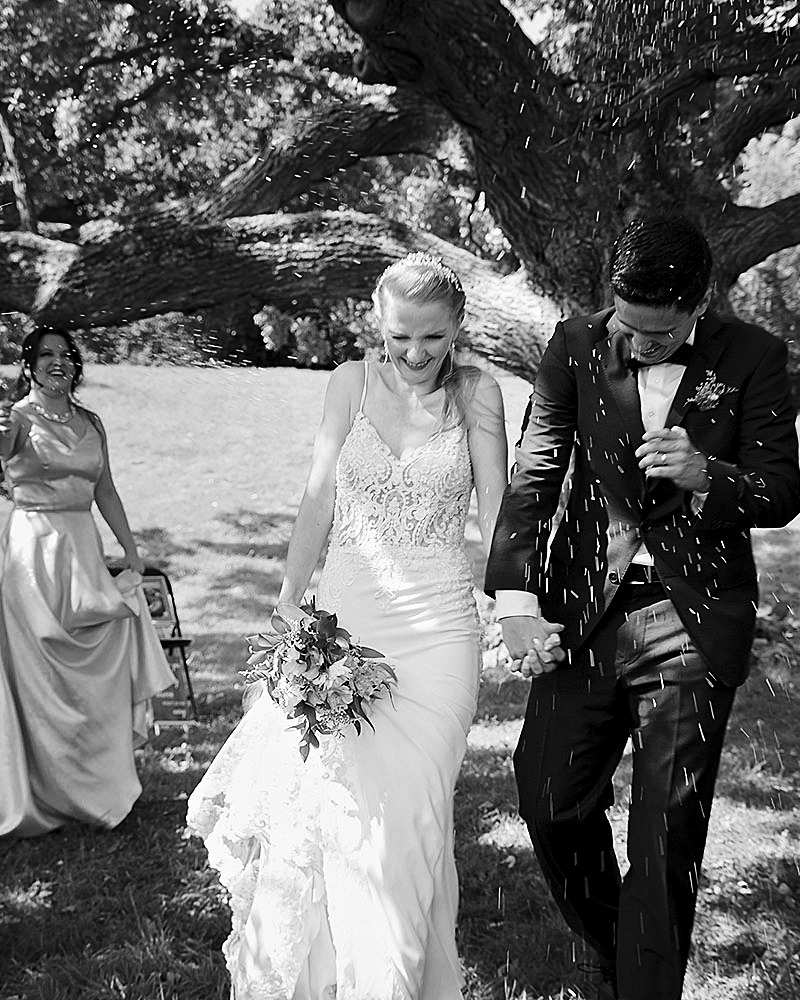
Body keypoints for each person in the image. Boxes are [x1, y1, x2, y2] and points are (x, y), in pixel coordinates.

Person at [485, 213, 800, 1000]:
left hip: (691, 619)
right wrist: (518, 598)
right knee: (549, 798)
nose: (639, 345)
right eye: (628, 327)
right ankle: (621, 949)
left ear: (700, 304)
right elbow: (536, 470)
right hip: (585, 612)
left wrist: (706, 476)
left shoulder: (755, 356)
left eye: (659, 335)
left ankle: (642, 983)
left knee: (666, 835)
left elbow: (781, 490)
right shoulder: (574, 343)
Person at [187, 252, 508, 1000]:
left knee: (409, 822)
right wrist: (288, 602)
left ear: (458, 327)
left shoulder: (479, 393)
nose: (416, 353)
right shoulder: (348, 383)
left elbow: (497, 513)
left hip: (439, 635)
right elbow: (319, 498)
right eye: (400, 336)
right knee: (341, 816)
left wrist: (518, 605)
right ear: (378, 323)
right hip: (346, 624)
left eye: (433, 337)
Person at [0, 327, 175, 838]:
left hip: (84, 551)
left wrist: (132, 553)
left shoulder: (91, 422)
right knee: (40, 676)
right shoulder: (16, 418)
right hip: (33, 554)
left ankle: (97, 790)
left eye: (65, 354)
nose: (57, 361)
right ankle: (41, 793)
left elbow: (106, 490)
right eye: (45, 354)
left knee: (94, 670)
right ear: (29, 365)